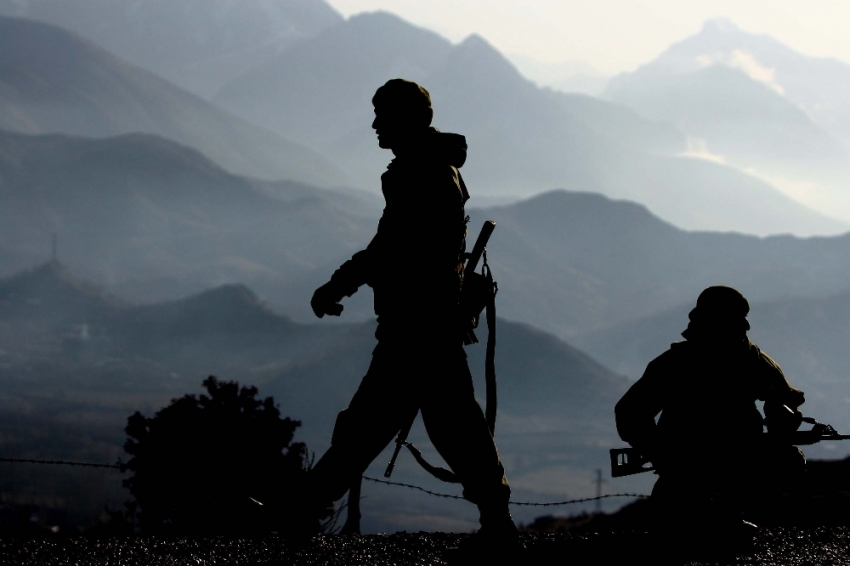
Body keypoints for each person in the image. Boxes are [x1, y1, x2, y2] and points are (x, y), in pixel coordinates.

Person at [307, 78, 516, 544]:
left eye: (384, 115)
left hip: (416, 327)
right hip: (430, 324)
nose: (376, 125)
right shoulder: (434, 168)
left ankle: (303, 510)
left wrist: (336, 285)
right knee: (451, 426)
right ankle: (498, 523)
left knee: (373, 423)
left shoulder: (420, 173)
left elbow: (389, 248)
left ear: (407, 120)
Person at [614, 286, 806, 533]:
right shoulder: (741, 360)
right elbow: (631, 413)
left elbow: (785, 400)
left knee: (786, 462)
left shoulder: (743, 360)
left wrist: (781, 418)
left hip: (726, 457)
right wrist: (660, 452)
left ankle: (727, 516)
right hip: (687, 463)